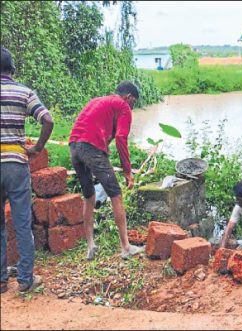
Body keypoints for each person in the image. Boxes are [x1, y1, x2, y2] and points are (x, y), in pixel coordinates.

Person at [69, 81, 143, 260]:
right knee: (116, 194)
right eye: (134, 103)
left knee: (89, 195)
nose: (132, 107)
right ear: (129, 97)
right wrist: (127, 171)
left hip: (74, 147)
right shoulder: (123, 106)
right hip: (91, 147)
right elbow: (121, 138)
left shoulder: (99, 100)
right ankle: (126, 247)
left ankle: (90, 246)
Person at [1, 46, 54, 293]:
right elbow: (48, 119)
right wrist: (38, 147)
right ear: (12, 69)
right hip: (16, 164)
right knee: (22, 222)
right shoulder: (24, 92)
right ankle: (24, 280)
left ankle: (1, 281)